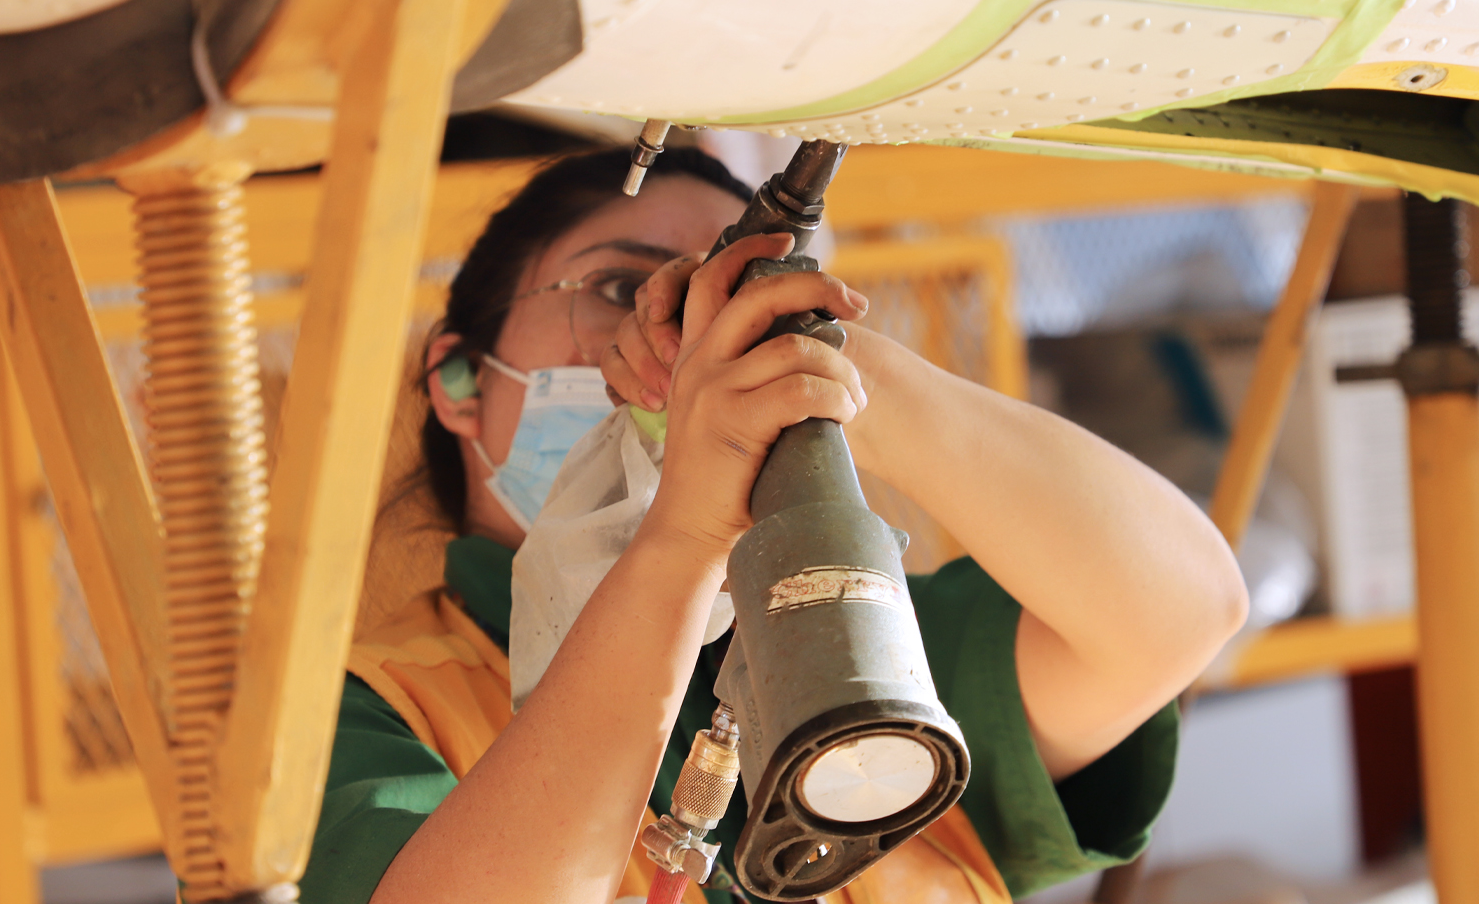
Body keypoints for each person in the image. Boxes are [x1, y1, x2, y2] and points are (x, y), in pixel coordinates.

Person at [303, 146, 1247, 904]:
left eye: (713, 302)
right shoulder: (353, 723)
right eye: (613, 291)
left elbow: (1182, 609)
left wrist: (821, 368)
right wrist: (681, 540)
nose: (679, 344)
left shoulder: (865, 650)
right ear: (457, 383)